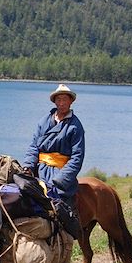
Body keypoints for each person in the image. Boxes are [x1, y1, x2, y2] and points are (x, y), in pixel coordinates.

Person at [22, 83, 85, 239]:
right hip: (39, 169)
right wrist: (28, 166)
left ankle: (64, 238)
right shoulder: (44, 121)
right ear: (54, 101)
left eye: (65, 99)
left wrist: (61, 180)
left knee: (59, 207)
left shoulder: (75, 126)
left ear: (71, 102)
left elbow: (77, 157)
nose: (62, 103)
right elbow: (34, 146)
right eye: (59, 99)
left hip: (59, 173)